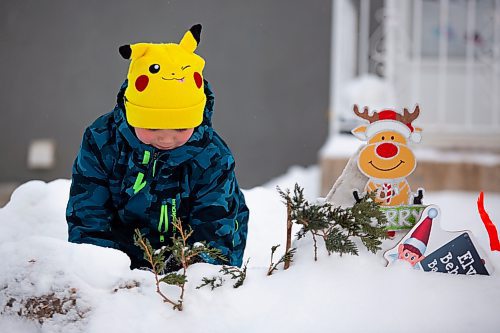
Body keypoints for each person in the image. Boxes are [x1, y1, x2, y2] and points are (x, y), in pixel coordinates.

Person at [66, 24, 249, 270]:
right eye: (152, 129)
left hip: (188, 257)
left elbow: (216, 230)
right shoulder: (102, 142)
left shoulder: (212, 157)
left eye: (180, 130)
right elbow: (89, 213)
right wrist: (101, 269)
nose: (166, 140)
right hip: (121, 255)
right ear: (132, 115)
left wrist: (192, 273)